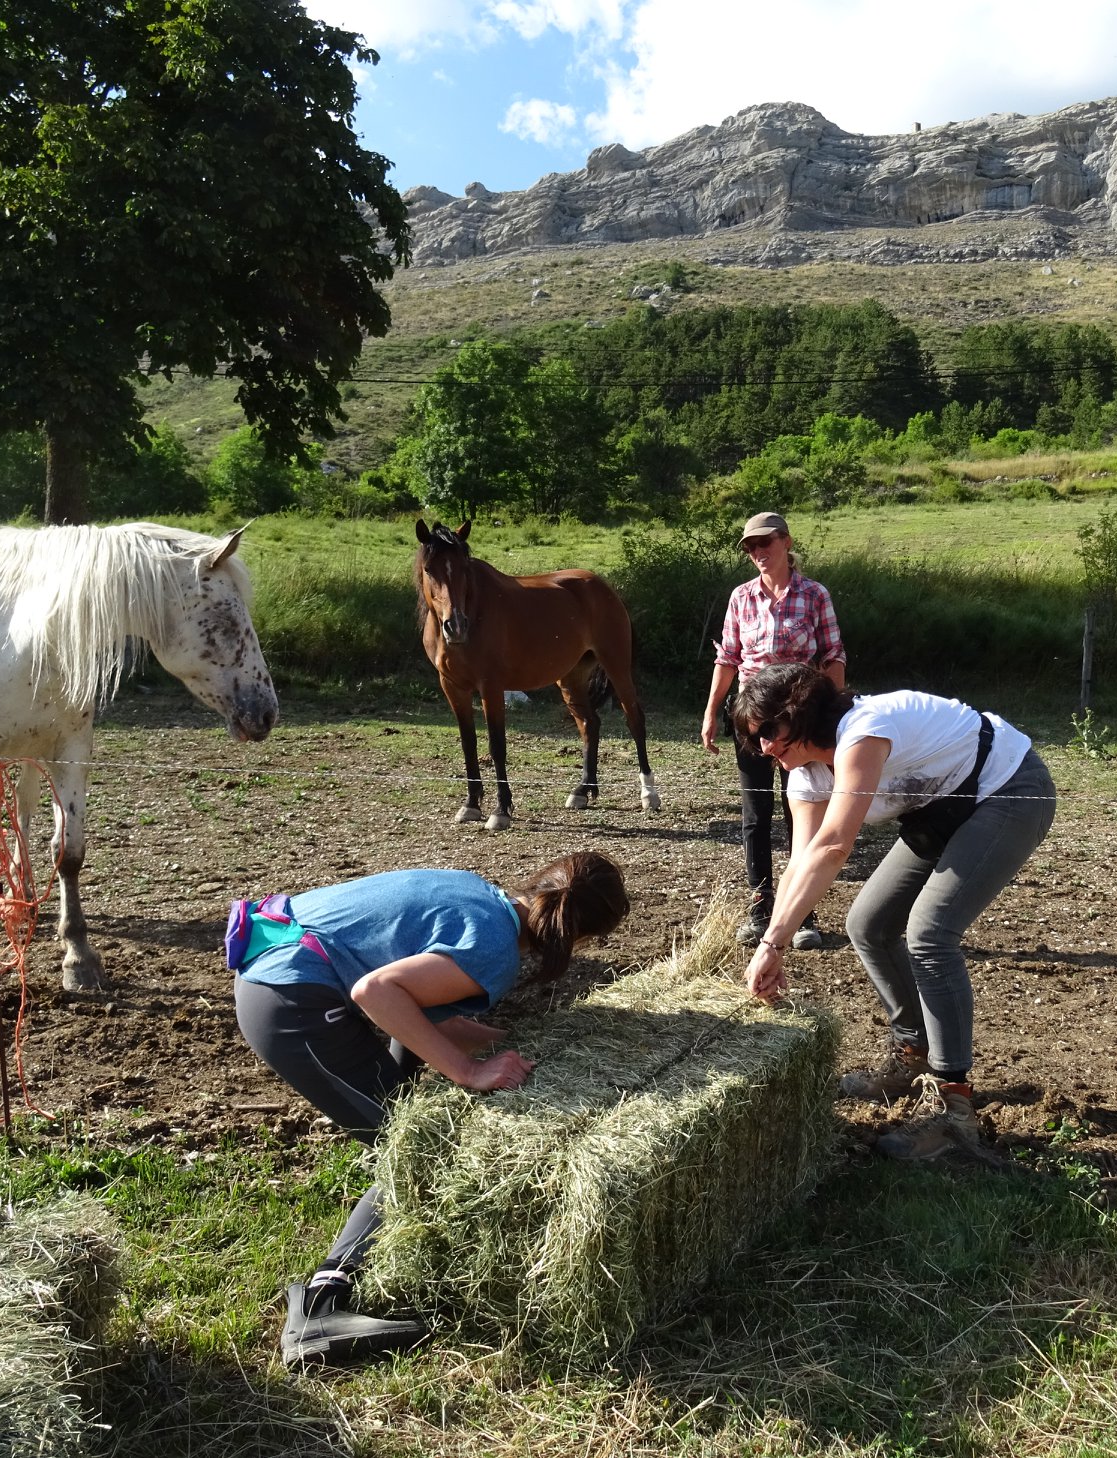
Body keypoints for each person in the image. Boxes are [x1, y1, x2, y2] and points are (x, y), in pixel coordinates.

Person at [229, 851, 630, 1363]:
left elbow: (429, 1012)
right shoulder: (495, 953)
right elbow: (376, 990)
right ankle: (319, 1308)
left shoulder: (479, 897)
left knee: (408, 1123)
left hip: (281, 974)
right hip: (292, 1003)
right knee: (414, 1150)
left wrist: (513, 1043)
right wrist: (468, 1072)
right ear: (578, 935)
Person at [731, 663, 1055, 1163]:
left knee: (930, 934)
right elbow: (804, 857)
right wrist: (771, 942)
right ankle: (911, 1054)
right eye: (755, 741)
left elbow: (836, 845)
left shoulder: (862, 731)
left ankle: (955, 1111)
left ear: (801, 712)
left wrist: (774, 942)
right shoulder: (804, 774)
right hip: (940, 807)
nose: (766, 748)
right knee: (869, 924)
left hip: (1006, 789)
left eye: (769, 731)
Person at [700, 511, 847, 951]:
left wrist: (832, 714)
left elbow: (833, 655)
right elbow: (727, 658)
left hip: (799, 720)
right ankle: (760, 906)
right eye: (750, 547)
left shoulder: (814, 595)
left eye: (765, 543)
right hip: (750, 718)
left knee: (800, 811)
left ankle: (802, 911)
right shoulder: (741, 597)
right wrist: (711, 714)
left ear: (785, 542)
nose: (758, 553)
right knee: (755, 815)